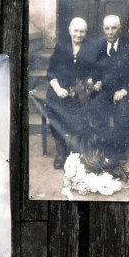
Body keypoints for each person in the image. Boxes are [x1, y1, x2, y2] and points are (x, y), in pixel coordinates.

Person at [85, 14, 129, 163]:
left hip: (126, 91)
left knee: (122, 114)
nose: (110, 32)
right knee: (96, 108)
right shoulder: (99, 45)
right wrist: (94, 80)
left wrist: (124, 91)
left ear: (120, 29)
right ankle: (104, 148)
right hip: (105, 90)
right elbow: (94, 69)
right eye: (107, 28)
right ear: (103, 29)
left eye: (114, 28)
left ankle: (118, 153)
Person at [45, 17, 94, 169]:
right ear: (70, 31)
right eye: (76, 31)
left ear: (85, 33)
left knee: (81, 116)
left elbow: (93, 71)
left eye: (82, 31)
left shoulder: (90, 48)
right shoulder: (61, 46)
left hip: (79, 92)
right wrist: (58, 89)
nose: (78, 34)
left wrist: (87, 85)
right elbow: (51, 73)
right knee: (54, 114)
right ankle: (61, 151)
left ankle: (74, 151)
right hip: (59, 90)